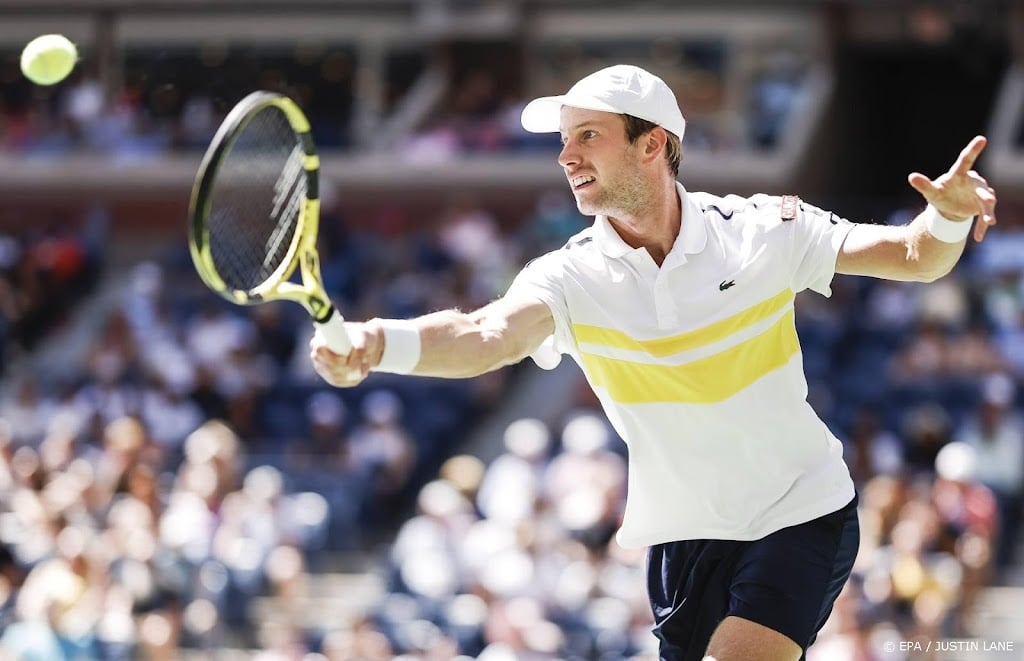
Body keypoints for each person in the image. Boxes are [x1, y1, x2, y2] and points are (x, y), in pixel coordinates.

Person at [309, 64, 998, 661]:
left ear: (653, 145)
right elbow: (486, 333)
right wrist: (380, 342)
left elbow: (915, 257)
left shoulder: (764, 230)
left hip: (800, 512)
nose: (565, 156)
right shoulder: (568, 275)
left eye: (588, 135)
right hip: (684, 539)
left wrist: (945, 220)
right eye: (563, 140)